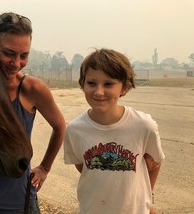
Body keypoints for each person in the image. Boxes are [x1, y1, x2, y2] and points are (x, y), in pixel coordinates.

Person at [0, 12, 66, 214]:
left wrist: (45, 168)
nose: (16, 63)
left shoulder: (32, 89)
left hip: (20, 201)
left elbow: (60, 126)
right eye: (9, 53)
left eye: (24, 55)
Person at [63, 48, 165, 214]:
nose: (99, 91)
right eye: (91, 83)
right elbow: (84, 167)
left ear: (124, 87)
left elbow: (155, 163)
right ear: (83, 85)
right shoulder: (74, 130)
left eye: (108, 84)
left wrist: (147, 199)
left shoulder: (144, 126)